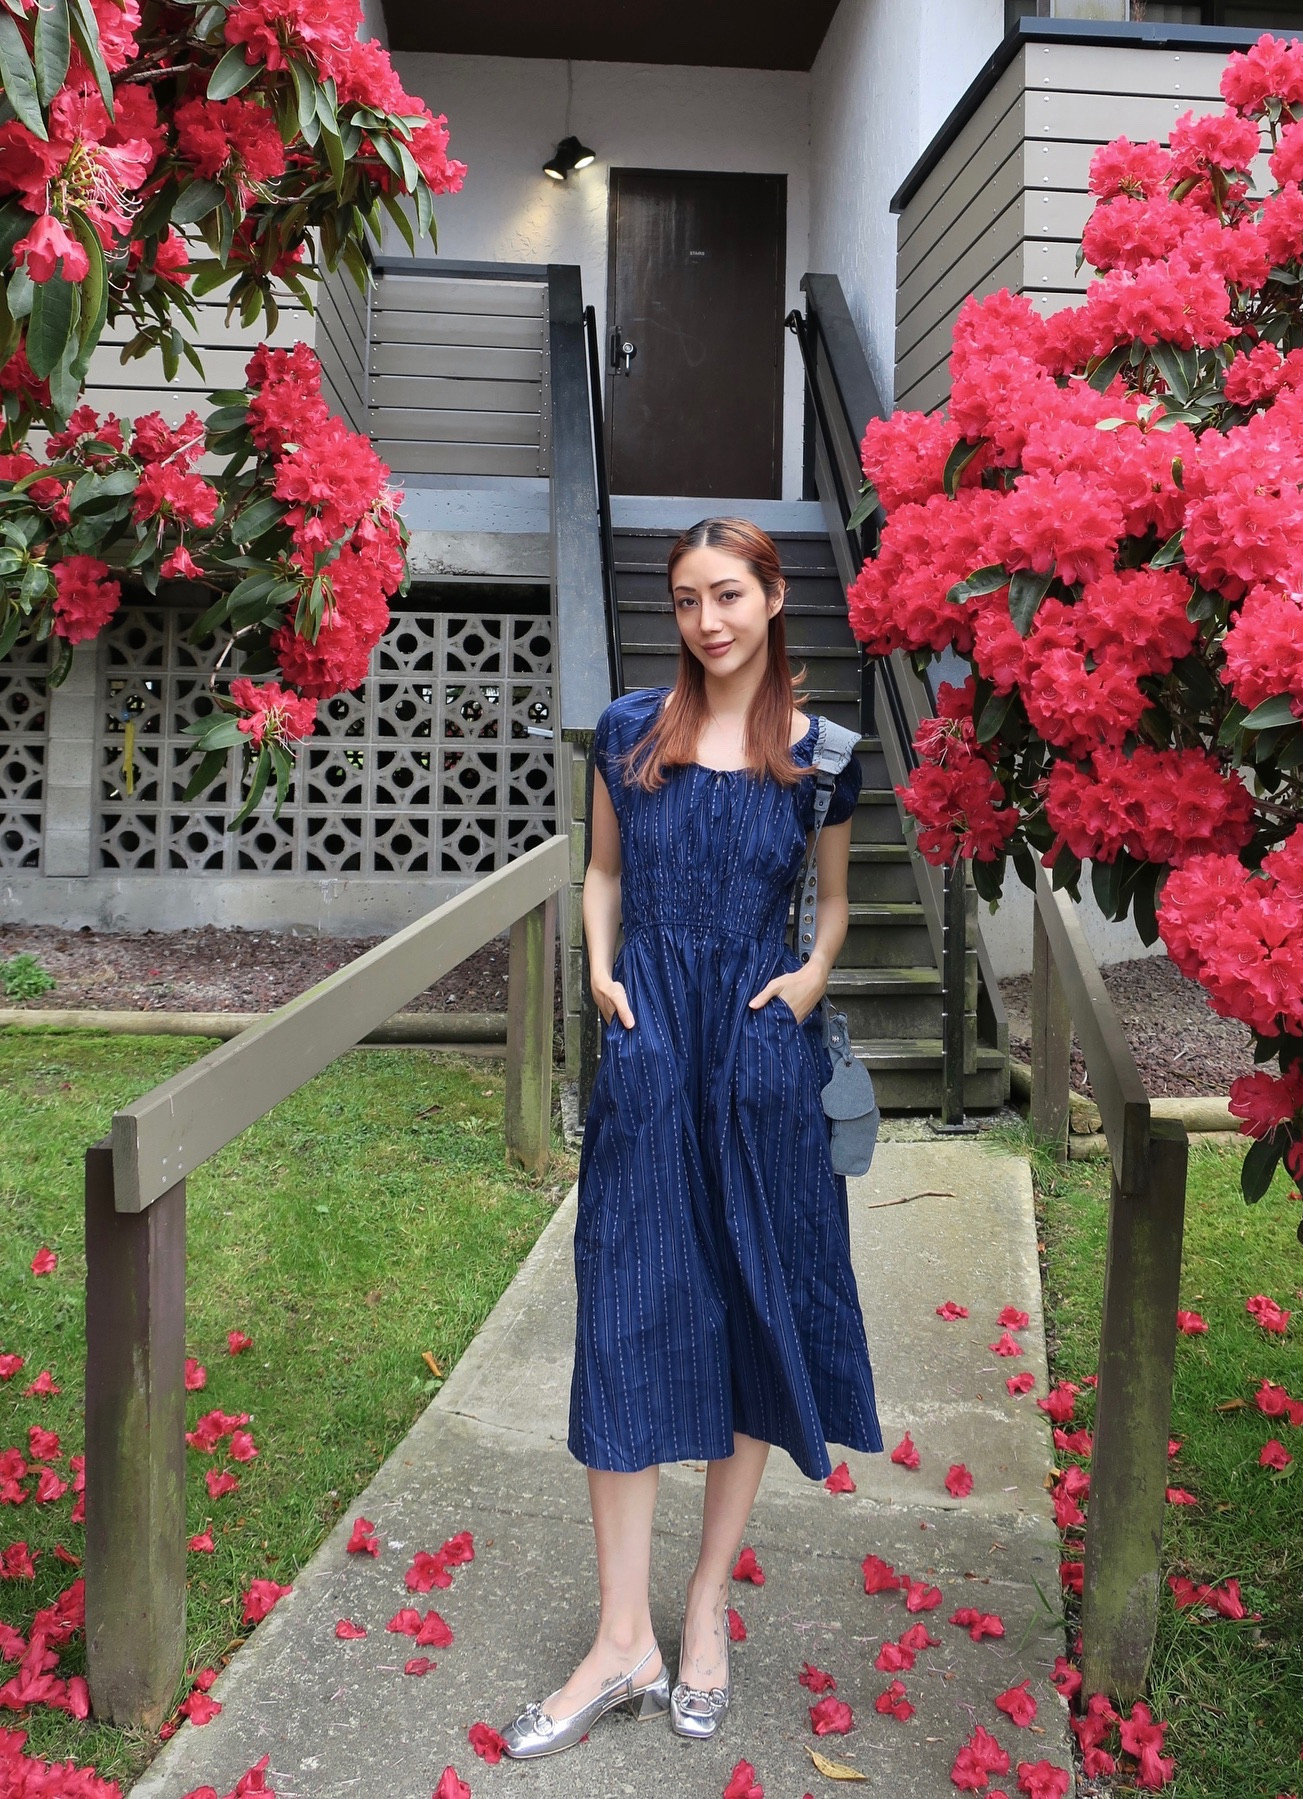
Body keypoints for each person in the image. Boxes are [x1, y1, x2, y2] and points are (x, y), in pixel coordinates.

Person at [498, 517, 883, 1760]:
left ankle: (704, 1608)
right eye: (684, 600)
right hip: (653, 1044)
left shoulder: (824, 756)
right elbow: (602, 872)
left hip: (761, 1055)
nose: (706, 619)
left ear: (774, 598)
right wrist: (604, 975)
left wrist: (813, 979)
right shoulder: (628, 730)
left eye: (727, 594)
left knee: (750, 1306)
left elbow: (830, 904)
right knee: (627, 1305)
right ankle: (624, 1637)